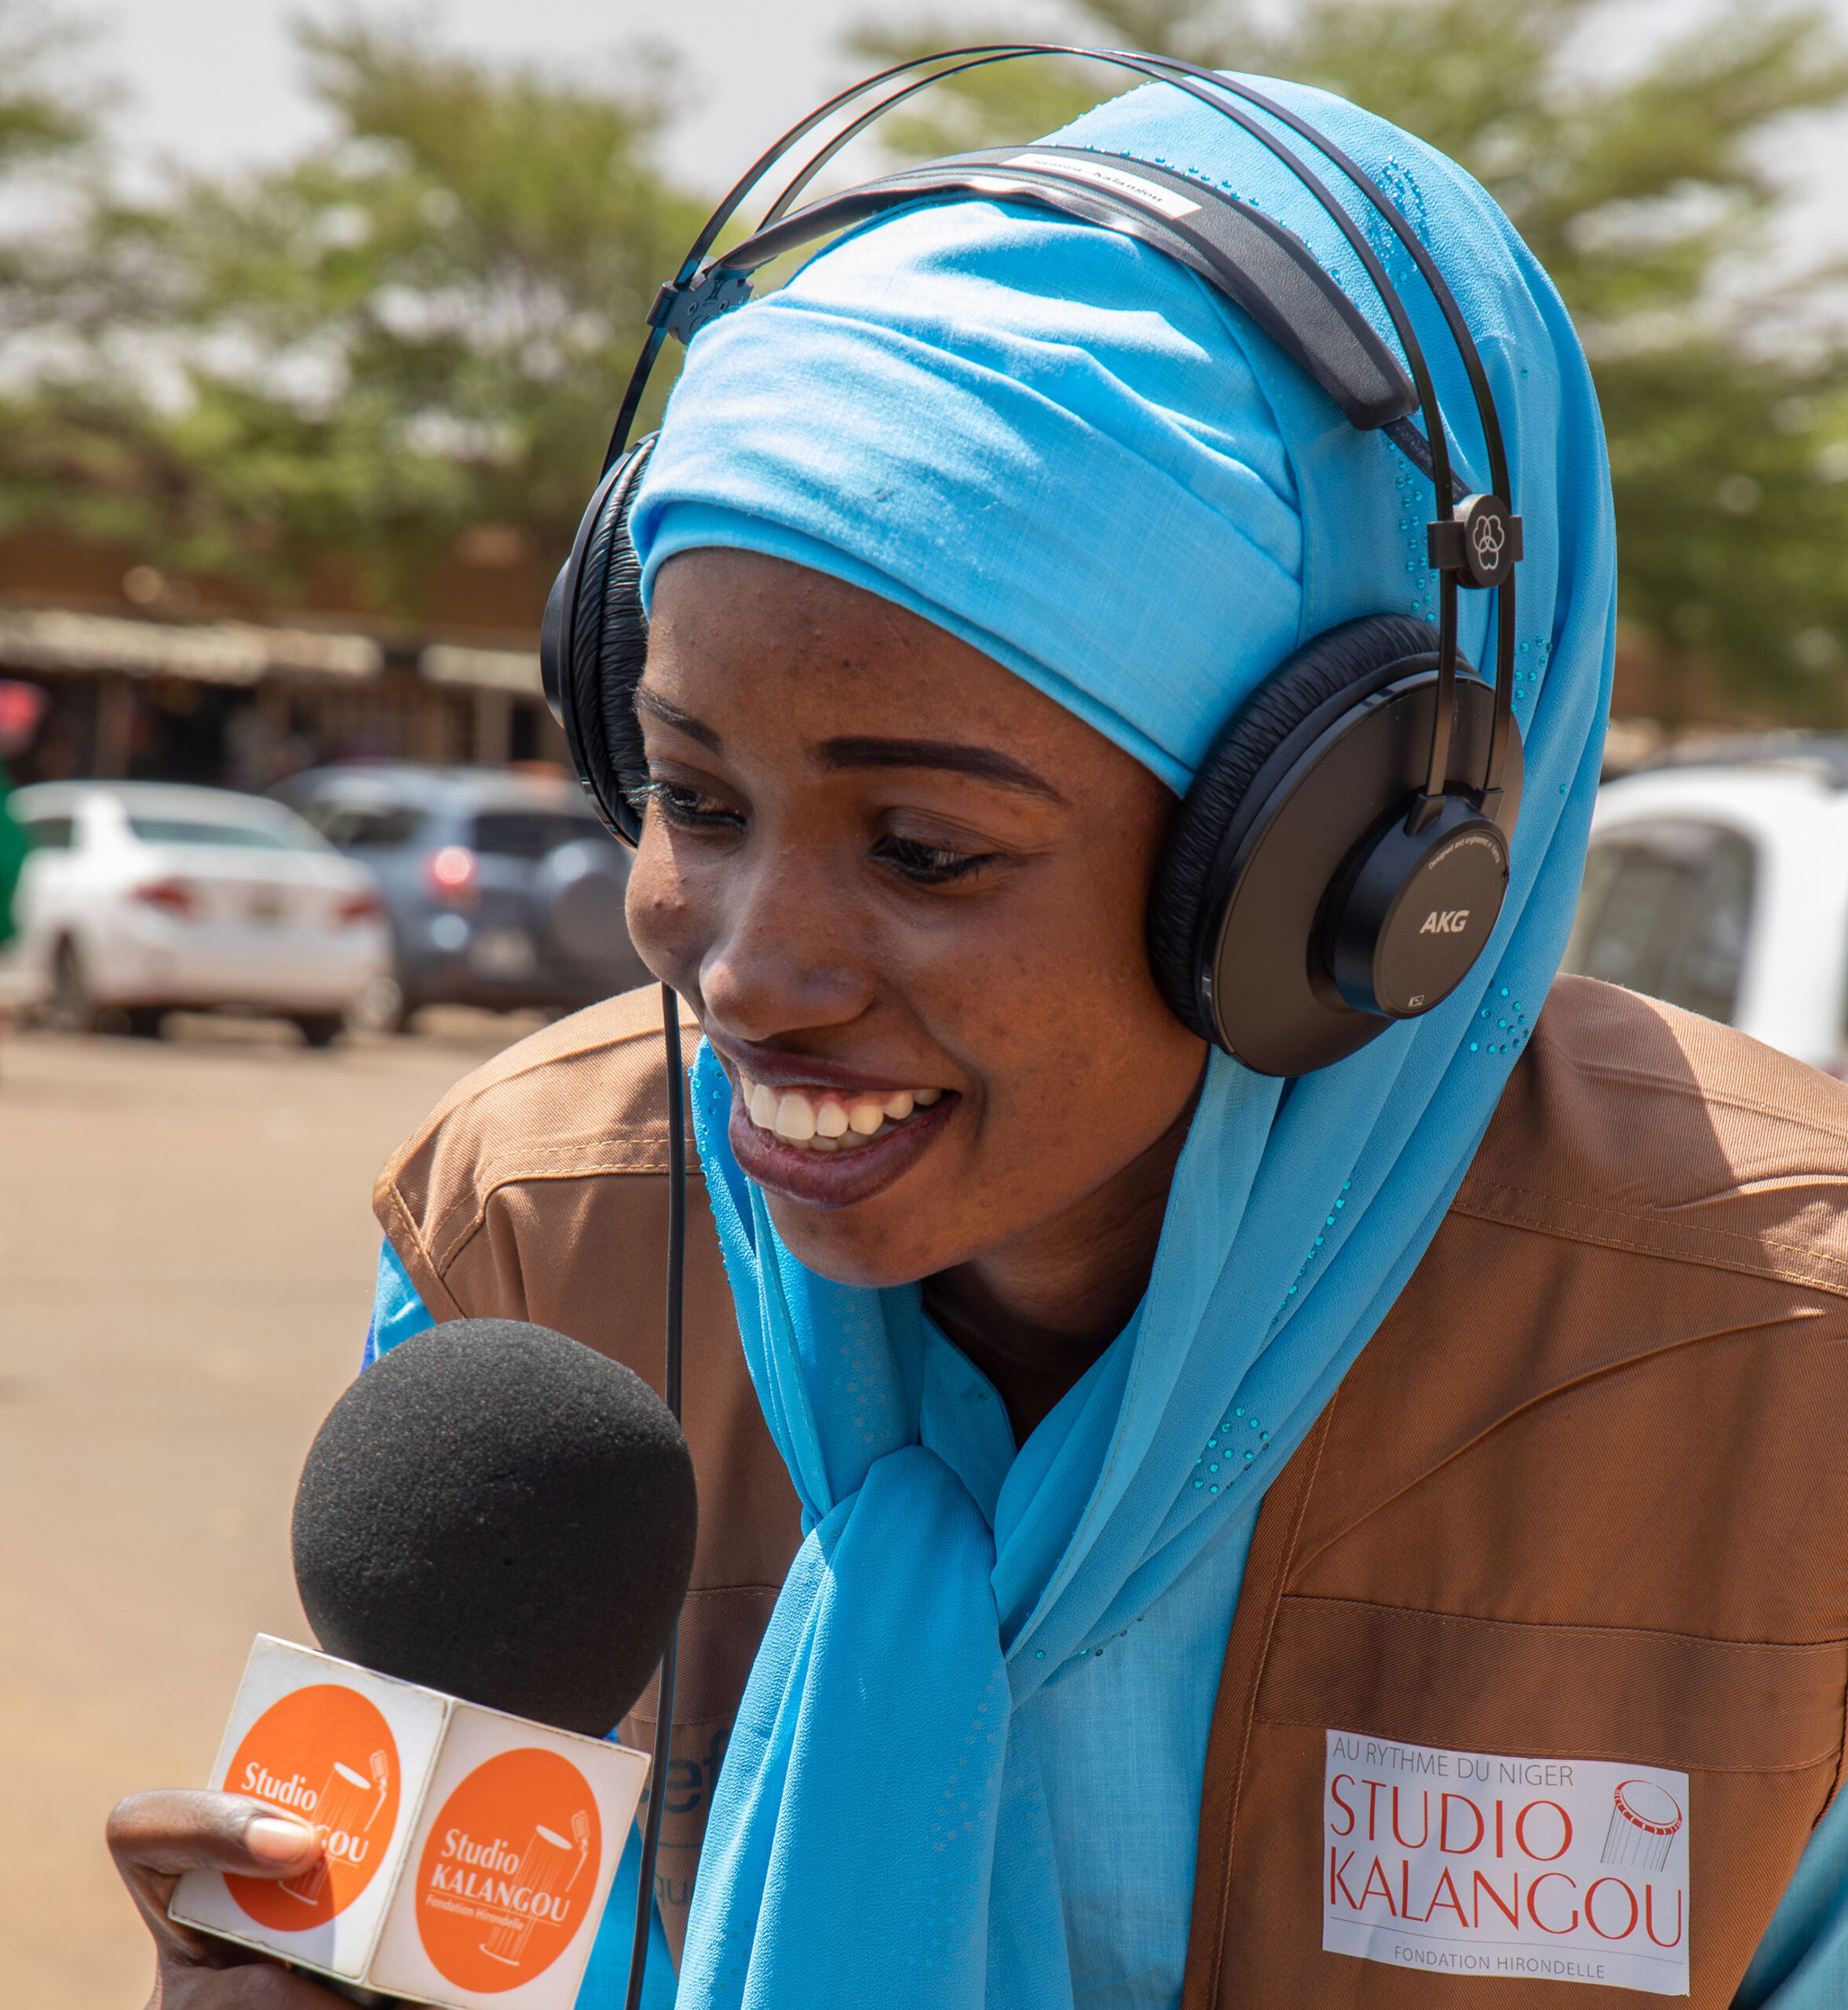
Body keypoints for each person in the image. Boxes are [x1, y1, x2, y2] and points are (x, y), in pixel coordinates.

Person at [108, 70, 1848, 2010]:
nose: (747, 970)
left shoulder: (1783, 1354)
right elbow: (468, 1943)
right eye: (692, 799)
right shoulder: (545, 1232)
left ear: (1340, 864)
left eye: (925, 848)